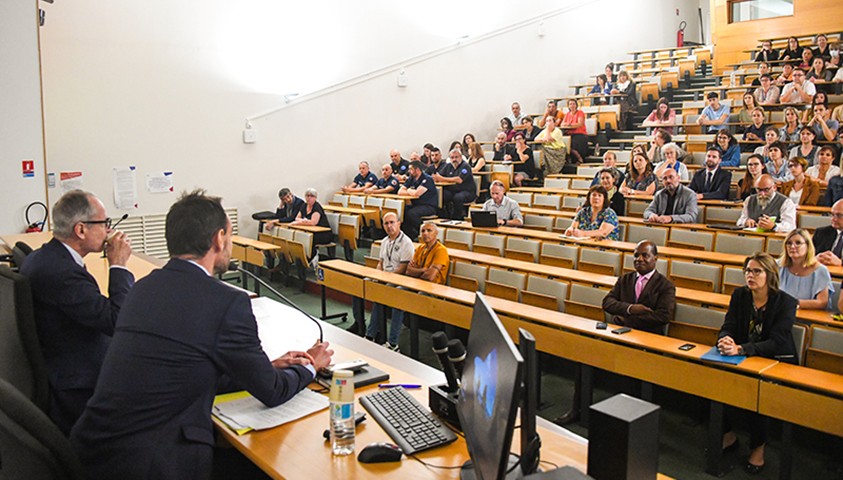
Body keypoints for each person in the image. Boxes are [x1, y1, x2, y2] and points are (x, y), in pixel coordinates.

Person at [70, 190, 333, 479]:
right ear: (219, 238)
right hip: (153, 463)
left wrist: (263, 367)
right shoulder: (227, 302)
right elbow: (271, 391)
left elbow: (185, 367)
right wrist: (311, 365)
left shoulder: (142, 289)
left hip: (95, 452)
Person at [21, 190, 134, 435]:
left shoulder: (46, 257)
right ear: (81, 230)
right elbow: (117, 321)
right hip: (78, 385)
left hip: (64, 361)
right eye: (104, 223)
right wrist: (118, 265)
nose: (108, 230)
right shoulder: (62, 273)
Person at [718, 252, 798, 475]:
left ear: (769, 274)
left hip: (775, 360)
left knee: (759, 393)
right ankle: (728, 436)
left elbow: (777, 341)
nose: (750, 275)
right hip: (743, 354)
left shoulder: (786, 303)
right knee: (713, 380)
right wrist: (725, 339)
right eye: (747, 271)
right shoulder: (740, 296)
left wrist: (742, 348)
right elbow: (729, 325)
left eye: (756, 271)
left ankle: (758, 447)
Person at [364, 212, 414, 350]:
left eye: (392, 222)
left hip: (400, 280)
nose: (389, 226)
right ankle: (370, 334)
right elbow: (381, 262)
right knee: (365, 283)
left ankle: (393, 343)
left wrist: (387, 277)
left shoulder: (406, 243)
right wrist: (378, 275)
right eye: (386, 223)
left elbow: (403, 268)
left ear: (399, 223)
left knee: (392, 295)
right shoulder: (385, 241)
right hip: (386, 277)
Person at [603, 240, 676, 333]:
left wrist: (627, 321)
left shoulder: (666, 285)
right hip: (619, 332)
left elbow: (663, 316)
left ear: (655, 258)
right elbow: (607, 302)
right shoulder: (625, 279)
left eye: (645, 255)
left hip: (648, 336)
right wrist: (630, 308)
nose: (639, 259)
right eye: (636, 255)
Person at [779, 228, 834, 310]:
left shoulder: (820, 271)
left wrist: (792, 303)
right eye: (789, 243)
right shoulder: (777, 266)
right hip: (781, 314)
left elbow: (822, 302)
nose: (792, 246)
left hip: (809, 317)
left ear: (808, 246)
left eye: (798, 243)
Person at [399, 160, 439, 239]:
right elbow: (400, 192)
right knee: (403, 211)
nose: (409, 171)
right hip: (416, 205)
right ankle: (408, 235)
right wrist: (410, 191)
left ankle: (421, 232)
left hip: (429, 206)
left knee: (412, 213)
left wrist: (408, 190)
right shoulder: (411, 178)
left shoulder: (427, 179)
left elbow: (417, 193)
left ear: (417, 169)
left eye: (411, 169)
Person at [433, 148, 476, 220]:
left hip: (467, 191)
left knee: (457, 198)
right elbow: (438, 176)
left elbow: (459, 180)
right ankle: (444, 216)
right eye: (452, 157)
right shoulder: (448, 166)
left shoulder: (465, 166)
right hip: (453, 190)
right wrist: (437, 177)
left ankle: (457, 218)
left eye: (456, 157)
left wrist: (442, 179)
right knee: (440, 195)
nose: (454, 159)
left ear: (461, 157)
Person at [291, 188, 333, 260]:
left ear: (315, 198)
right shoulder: (304, 205)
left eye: (311, 196)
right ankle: (301, 258)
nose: (309, 198)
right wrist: (305, 221)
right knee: (299, 237)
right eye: (307, 196)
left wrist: (301, 221)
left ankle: (310, 259)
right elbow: (297, 218)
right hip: (311, 231)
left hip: (323, 234)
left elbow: (313, 222)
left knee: (308, 239)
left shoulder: (317, 207)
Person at [813, 199, 843, 266]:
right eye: (832, 214)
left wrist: (840, 263)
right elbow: (807, 257)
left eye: (839, 215)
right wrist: (815, 259)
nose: (833, 219)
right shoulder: (821, 233)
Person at [560, 98, 588, 164]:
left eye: (573, 104)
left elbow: (579, 124)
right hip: (569, 133)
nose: (572, 105)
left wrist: (569, 125)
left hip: (579, 133)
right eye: (570, 104)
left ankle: (579, 158)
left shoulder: (580, 113)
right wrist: (569, 125)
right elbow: (562, 124)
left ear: (576, 105)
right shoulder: (567, 114)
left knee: (573, 142)